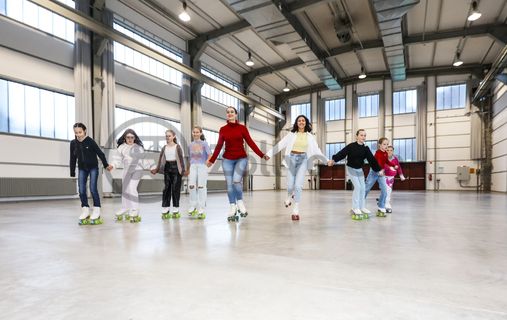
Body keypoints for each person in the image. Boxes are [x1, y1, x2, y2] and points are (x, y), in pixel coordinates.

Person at [206, 106, 269, 222]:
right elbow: (219, 146)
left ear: (236, 115)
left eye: (232, 112)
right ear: (227, 115)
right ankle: (232, 206)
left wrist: (262, 154)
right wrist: (212, 160)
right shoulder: (223, 129)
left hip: (241, 158)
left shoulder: (242, 128)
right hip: (227, 159)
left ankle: (240, 202)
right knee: (230, 184)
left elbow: (250, 142)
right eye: (228, 112)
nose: (229, 114)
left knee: (236, 180)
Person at [265, 115, 332, 221]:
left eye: (303, 120)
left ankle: (296, 210)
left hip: (303, 160)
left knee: (298, 185)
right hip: (291, 158)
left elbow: (317, 150)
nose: (301, 122)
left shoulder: (310, 136)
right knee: (290, 184)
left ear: (306, 123)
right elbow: (280, 144)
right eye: (299, 120)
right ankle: (288, 196)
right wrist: (269, 153)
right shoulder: (291, 135)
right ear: (296, 123)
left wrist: (326, 160)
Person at [330, 129, 381, 220]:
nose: (363, 137)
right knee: (357, 187)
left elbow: (372, 160)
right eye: (361, 135)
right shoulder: (351, 146)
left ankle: (362, 207)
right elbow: (342, 153)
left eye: (365, 135)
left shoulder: (366, 148)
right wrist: (334, 160)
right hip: (351, 168)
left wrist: (378, 170)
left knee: (363, 187)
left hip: (359, 169)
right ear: (357, 136)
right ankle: (355, 207)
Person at [70, 122, 112, 225]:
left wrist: (106, 165)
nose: (78, 134)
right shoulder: (73, 143)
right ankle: (85, 210)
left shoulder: (90, 141)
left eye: (80, 132)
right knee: (82, 190)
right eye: (76, 133)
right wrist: (72, 171)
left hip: (93, 167)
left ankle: (97, 210)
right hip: (82, 169)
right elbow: (72, 158)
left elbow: (100, 153)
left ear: (84, 131)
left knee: (93, 188)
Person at [111, 129, 148, 223]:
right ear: (125, 138)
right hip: (126, 169)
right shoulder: (121, 147)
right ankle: (125, 208)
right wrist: (113, 165)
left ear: (135, 138)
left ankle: (135, 209)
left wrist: (151, 167)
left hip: (137, 169)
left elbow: (144, 159)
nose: (130, 139)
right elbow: (117, 159)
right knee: (125, 190)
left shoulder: (138, 147)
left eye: (132, 137)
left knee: (131, 187)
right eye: (128, 137)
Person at [151, 129, 186, 219]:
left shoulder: (177, 147)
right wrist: (157, 169)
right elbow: (161, 160)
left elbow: (181, 160)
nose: (168, 137)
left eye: (169, 136)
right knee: (166, 188)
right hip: (167, 168)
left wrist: (183, 171)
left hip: (176, 169)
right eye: (166, 136)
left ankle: (175, 207)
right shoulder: (164, 147)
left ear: (174, 136)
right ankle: (166, 207)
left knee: (175, 188)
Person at [364, 137, 397, 217]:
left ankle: (381, 206)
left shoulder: (385, 153)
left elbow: (387, 161)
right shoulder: (378, 153)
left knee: (385, 190)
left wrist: (393, 165)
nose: (386, 146)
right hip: (374, 172)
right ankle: (359, 204)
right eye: (384, 144)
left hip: (381, 173)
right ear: (380, 145)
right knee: (366, 188)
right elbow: (378, 162)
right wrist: (379, 170)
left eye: (387, 144)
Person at [187, 126, 211, 219]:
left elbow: (210, 155)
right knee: (191, 186)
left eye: (197, 132)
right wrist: (188, 169)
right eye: (194, 132)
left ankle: (201, 207)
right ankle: (193, 206)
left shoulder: (204, 144)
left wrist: (207, 162)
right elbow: (190, 158)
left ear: (200, 133)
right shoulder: (190, 145)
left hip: (202, 166)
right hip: (193, 166)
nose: (195, 134)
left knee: (201, 186)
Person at [384, 145, 406, 213]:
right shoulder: (383, 158)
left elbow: (398, 167)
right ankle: (383, 203)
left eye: (391, 150)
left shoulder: (395, 158)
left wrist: (401, 175)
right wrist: (389, 168)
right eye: (388, 150)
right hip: (384, 176)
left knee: (389, 190)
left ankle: (387, 203)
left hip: (391, 177)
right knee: (384, 190)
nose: (389, 152)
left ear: (393, 151)